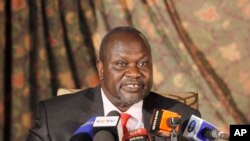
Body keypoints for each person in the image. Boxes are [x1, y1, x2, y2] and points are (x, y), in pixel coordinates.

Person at [26, 26, 201, 141]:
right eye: (121, 64)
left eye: (143, 64)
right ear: (101, 69)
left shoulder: (182, 117)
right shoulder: (54, 117)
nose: (134, 73)